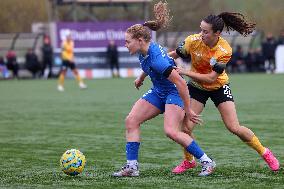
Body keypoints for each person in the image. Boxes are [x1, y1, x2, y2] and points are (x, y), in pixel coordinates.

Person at [113, 1, 215, 178]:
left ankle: (207, 161)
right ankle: (132, 167)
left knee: (171, 131)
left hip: (174, 92)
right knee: (131, 121)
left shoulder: (157, 60)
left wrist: (188, 109)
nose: (125, 45)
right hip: (159, 91)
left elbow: (181, 83)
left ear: (139, 40)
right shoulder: (143, 50)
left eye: (127, 42)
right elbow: (148, 65)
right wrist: (141, 77)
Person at [168, 12, 280, 174]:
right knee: (185, 128)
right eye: (201, 30)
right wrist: (160, 58)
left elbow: (211, 78)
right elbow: (176, 54)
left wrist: (184, 71)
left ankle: (265, 153)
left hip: (218, 87)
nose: (201, 34)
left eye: (205, 32)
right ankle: (189, 161)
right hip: (196, 88)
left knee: (234, 127)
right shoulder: (192, 40)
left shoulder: (224, 50)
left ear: (217, 33)